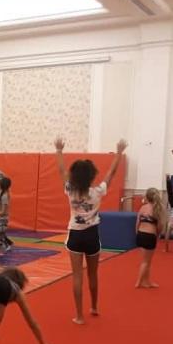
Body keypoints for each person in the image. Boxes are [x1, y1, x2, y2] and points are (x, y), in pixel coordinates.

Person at [55, 137, 127, 325]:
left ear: (74, 177)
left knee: (77, 276)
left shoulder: (70, 191)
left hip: (75, 234)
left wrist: (59, 151)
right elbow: (111, 173)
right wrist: (119, 153)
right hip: (92, 235)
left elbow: (62, 171)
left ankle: (79, 316)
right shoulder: (97, 192)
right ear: (91, 177)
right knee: (93, 274)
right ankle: (94, 307)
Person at [135, 188, 165, 288]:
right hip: (150, 236)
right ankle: (139, 282)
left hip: (141, 234)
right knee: (146, 261)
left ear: (147, 197)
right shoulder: (157, 209)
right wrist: (158, 235)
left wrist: (137, 234)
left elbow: (137, 223)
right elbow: (160, 226)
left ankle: (147, 281)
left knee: (147, 261)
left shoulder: (143, 208)